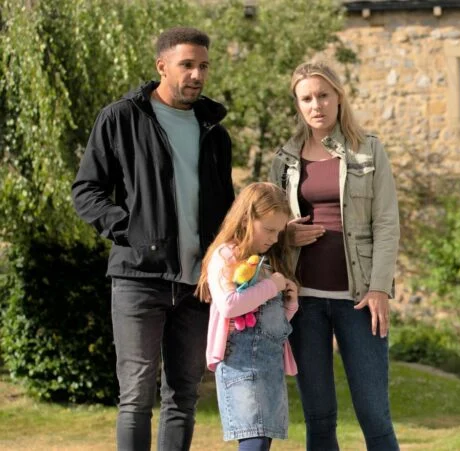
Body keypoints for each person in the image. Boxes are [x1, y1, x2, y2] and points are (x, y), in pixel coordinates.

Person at [71, 27, 234, 451]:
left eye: (203, 66)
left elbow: (226, 208)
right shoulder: (121, 117)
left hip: (198, 285)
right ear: (162, 66)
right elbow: (86, 191)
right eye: (187, 65)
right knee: (136, 396)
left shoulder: (215, 131)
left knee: (182, 396)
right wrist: (133, 230)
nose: (197, 75)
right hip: (138, 278)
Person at [268, 61, 400, 451]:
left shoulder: (369, 149)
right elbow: (265, 227)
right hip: (303, 301)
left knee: (375, 416)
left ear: (338, 97)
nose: (316, 105)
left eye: (323, 95)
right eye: (306, 98)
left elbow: (387, 224)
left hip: (359, 299)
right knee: (319, 419)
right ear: (297, 104)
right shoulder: (285, 160)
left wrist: (379, 289)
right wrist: (286, 233)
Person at [196, 182, 299, 451]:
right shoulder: (226, 256)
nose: (275, 238)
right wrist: (273, 286)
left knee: (262, 440)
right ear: (247, 218)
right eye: (269, 229)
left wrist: (289, 303)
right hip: (241, 366)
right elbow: (230, 306)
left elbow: (274, 325)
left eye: (279, 231)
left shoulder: (263, 263)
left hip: (268, 366)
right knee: (253, 439)